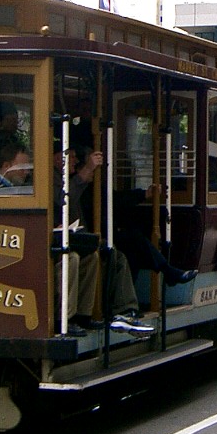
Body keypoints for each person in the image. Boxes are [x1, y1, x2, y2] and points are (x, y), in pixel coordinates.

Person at [58, 143, 153, 337]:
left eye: (76, 156)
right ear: (56, 156)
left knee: (107, 255)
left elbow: (110, 201)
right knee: (76, 258)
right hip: (57, 244)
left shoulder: (71, 180)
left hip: (78, 238)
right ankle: (66, 319)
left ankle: (89, 315)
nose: (74, 160)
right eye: (70, 155)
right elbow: (65, 200)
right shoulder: (58, 182)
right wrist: (86, 171)